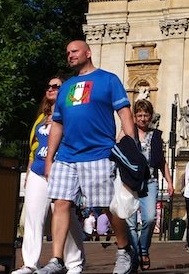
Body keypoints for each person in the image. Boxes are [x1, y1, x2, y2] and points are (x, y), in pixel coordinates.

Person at [36, 41, 135, 274]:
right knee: (59, 203)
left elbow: (124, 114)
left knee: (108, 207)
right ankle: (57, 260)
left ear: (88, 53)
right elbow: (57, 124)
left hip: (99, 153)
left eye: (75, 51)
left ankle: (124, 249)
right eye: (68, 52)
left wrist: (132, 148)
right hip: (67, 155)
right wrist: (50, 158)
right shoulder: (67, 86)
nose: (70, 55)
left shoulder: (108, 79)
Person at [12, 77, 85, 274]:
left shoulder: (71, 114)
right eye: (49, 86)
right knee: (32, 217)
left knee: (64, 215)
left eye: (56, 86)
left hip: (61, 168)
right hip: (37, 169)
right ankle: (30, 263)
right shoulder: (40, 118)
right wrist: (28, 171)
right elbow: (33, 148)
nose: (51, 89)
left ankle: (74, 262)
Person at [129, 99, 172, 270]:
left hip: (150, 181)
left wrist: (169, 181)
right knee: (130, 222)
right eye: (139, 115)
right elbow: (116, 150)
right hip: (130, 182)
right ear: (134, 116)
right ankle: (133, 255)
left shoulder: (155, 136)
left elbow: (161, 161)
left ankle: (143, 248)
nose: (142, 118)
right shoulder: (128, 132)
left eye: (146, 115)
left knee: (149, 217)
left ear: (151, 116)